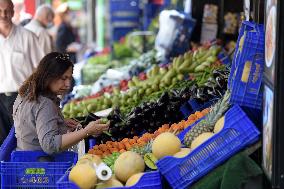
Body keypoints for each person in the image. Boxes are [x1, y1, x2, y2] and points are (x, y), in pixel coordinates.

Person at [13, 52, 109, 155]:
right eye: (63, 78)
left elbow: (30, 122)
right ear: (49, 76)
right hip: (40, 165)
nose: (68, 85)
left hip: (24, 154)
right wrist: (86, 131)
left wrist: (55, 122)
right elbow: (50, 145)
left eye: (69, 78)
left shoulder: (26, 92)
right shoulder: (45, 104)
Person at [0, 0, 44, 121]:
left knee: (23, 138)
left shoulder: (27, 37)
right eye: (0, 11)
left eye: (7, 11)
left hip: (22, 98)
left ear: (13, 12)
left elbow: (41, 68)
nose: (3, 15)